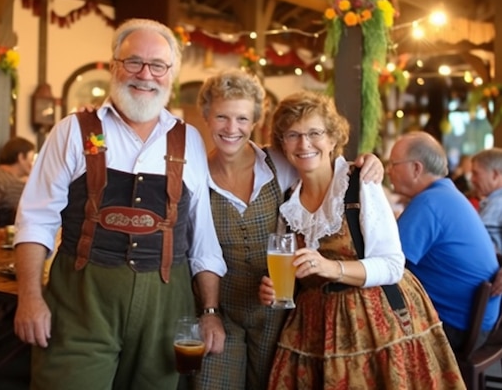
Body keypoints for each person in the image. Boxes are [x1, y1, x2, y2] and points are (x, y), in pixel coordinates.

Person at [13, 18, 227, 390]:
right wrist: (29, 297)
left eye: (158, 65)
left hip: (165, 308)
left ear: (170, 73)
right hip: (81, 302)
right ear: (114, 66)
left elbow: (202, 239)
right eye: (134, 62)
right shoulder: (72, 130)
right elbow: (35, 220)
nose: (146, 74)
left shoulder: (188, 139)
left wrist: (209, 311)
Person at [259, 91, 464, 389]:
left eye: (315, 133)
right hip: (314, 326)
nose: (304, 144)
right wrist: (276, 288)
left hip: (375, 318)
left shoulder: (359, 183)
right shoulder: (289, 202)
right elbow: (296, 273)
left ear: (332, 139)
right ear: (283, 144)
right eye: (293, 135)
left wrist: (332, 268)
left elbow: (394, 265)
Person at [194, 70, 383, 389]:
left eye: (242, 118)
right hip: (223, 305)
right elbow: (202, 249)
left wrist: (367, 162)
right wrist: (209, 310)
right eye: (221, 117)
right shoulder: (195, 172)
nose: (231, 128)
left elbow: (319, 159)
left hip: (278, 307)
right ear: (207, 118)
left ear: (255, 120)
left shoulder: (277, 162)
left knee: (274, 383)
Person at [389, 131, 500, 351]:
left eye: (393, 164)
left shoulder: (429, 202)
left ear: (416, 169)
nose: (388, 171)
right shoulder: (445, 193)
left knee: (367, 325)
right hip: (481, 323)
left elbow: (389, 264)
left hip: (458, 328)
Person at [471, 148, 502, 252]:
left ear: (495, 175)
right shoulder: (491, 202)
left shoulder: (498, 204)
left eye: (476, 174)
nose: (472, 180)